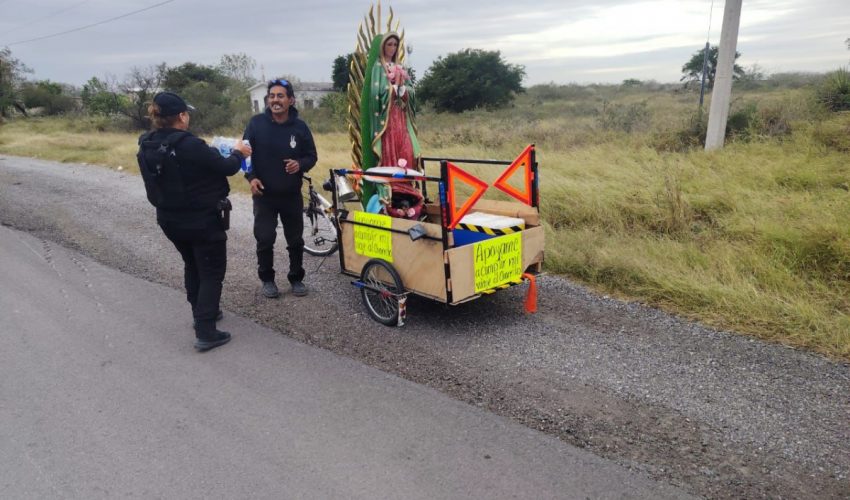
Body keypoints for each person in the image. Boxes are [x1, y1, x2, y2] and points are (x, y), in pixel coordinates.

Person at [137, 91, 251, 352]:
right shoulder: (190, 145)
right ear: (181, 116)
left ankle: (201, 310)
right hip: (201, 220)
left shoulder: (147, 142)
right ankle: (206, 330)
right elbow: (227, 168)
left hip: (169, 219)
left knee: (192, 264)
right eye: (186, 113)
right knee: (211, 271)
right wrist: (239, 152)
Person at [243, 79, 318, 299]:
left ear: (291, 100)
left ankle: (296, 278)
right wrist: (251, 177)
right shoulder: (256, 124)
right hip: (264, 195)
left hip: (291, 195)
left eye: (280, 96)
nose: (275, 100)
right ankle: (267, 279)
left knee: (295, 240)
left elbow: (311, 156)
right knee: (265, 239)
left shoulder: (300, 127)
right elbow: (244, 154)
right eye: (272, 96)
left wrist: (300, 164)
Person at [368, 32, 421, 170]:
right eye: (389, 44)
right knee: (391, 147)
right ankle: (393, 185)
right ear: (383, 46)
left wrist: (403, 88)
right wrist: (393, 87)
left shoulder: (400, 66)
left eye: (395, 45)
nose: (392, 48)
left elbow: (411, 90)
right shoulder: (378, 67)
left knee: (407, 149)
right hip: (387, 118)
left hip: (402, 117)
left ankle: (406, 183)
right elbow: (375, 92)